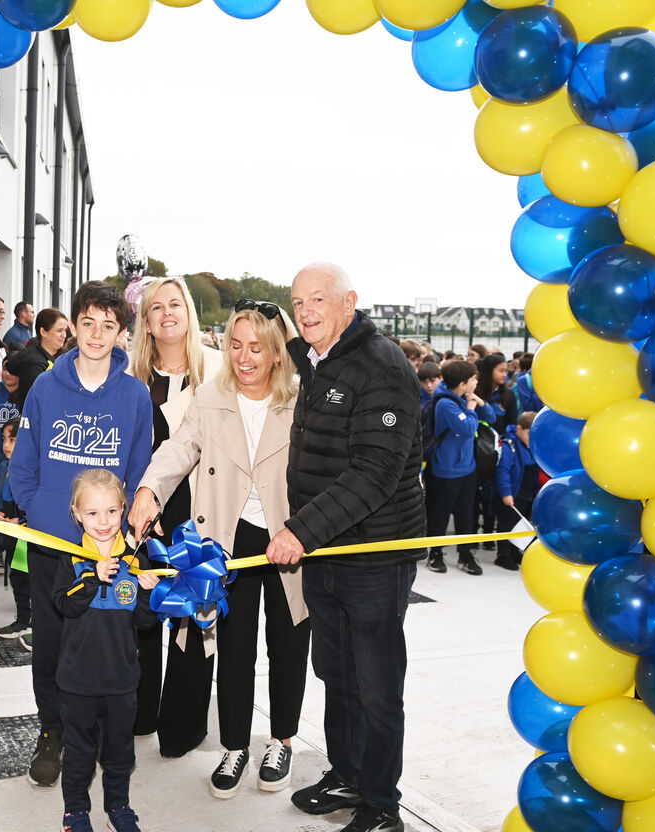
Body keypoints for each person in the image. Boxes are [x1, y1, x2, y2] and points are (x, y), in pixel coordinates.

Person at [265, 262, 424, 832]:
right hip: (327, 555)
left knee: (376, 686)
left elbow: (375, 472)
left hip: (375, 558)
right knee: (336, 673)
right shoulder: (319, 358)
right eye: (298, 302)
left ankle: (382, 805)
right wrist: (311, 537)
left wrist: (298, 531)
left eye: (318, 300)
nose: (306, 311)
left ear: (348, 303)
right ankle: (347, 774)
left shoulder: (383, 368)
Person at [130, 301, 310, 799]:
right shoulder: (209, 397)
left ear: (276, 352)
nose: (244, 357)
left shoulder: (301, 399)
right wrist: (148, 490)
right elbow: (179, 449)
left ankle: (281, 740)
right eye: (235, 345)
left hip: (290, 534)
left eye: (256, 347)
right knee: (232, 645)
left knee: (289, 641)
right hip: (229, 539)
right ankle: (235, 745)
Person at [9, 280, 153, 789]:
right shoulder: (46, 386)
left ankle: (95, 735)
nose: (96, 334)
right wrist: (37, 509)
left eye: (108, 325)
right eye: (87, 323)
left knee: (101, 646)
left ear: (121, 333)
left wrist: (124, 535)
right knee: (50, 646)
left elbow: (138, 474)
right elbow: (23, 465)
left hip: (107, 551)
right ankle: (52, 731)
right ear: (73, 325)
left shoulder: (135, 396)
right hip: (53, 547)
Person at [127, 276, 223, 755]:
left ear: (189, 311)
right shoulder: (129, 379)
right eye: (155, 306)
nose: (166, 312)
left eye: (175, 303)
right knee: (141, 617)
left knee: (192, 619)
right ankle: (138, 715)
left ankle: (182, 727)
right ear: (145, 321)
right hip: (143, 512)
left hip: (201, 513)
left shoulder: (219, 373)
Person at [54, 469, 160, 832]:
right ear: (77, 513)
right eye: (93, 513)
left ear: (124, 510)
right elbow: (63, 605)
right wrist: (91, 577)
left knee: (120, 752)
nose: (103, 521)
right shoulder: (70, 558)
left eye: (112, 512)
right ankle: (75, 812)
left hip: (121, 679)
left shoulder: (136, 561)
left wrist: (148, 593)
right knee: (80, 752)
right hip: (77, 679)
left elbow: (146, 623)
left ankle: (118, 805)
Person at [424, 360, 490, 576]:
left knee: (466, 514)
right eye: (473, 379)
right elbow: (467, 428)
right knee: (440, 514)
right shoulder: (446, 404)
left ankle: (466, 553)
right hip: (445, 469)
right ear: (463, 383)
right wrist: (471, 409)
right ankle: (435, 552)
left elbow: (491, 417)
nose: (476, 382)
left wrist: (480, 404)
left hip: (467, 468)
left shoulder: (462, 399)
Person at [0, 420, 30, 633]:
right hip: (13, 534)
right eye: (4, 439)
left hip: (31, 535)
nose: (6, 445)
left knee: (35, 580)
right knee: (17, 576)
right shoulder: (3, 466)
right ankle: (23, 619)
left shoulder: (34, 468)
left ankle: (36, 623)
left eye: (12, 440)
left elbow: (37, 503)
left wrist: (22, 522)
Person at [474, 354, 518, 553]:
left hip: (498, 451)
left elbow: (512, 423)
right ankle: (472, 534)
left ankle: (490, 534)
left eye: (506, 371)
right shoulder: (476, 391)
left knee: (493, 493)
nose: (504, 374)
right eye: (500, 370)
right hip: (476, 451)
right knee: (475, 494)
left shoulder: (508, 395)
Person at [494, 411, 538, 571]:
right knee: (506, 523)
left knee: (518, 523)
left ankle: (514, 550)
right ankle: (503, 554)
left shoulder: (530, 446)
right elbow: (503, 471)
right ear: (519, 429)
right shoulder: (509, 445)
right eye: (528, 434)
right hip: (512, 493)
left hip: (524, 494)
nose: (531, 438)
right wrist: (506, 493)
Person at [10, 307, 70, 410]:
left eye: (65, 330)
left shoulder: (66, 356)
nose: (64, 335)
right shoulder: (32, 362)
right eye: (59, 330)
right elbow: (41, 399)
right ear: (43, 332)